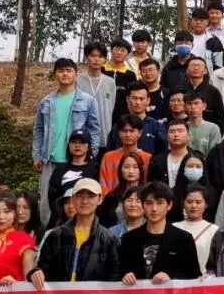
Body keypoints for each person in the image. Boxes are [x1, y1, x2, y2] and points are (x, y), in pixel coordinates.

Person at [32, 58, 101, 224]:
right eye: (61, 71)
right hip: (50, 160)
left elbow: (94, 129)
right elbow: (38, 129)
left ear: (76, 74)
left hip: (76, 161)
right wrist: (36, 154)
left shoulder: (88, 100)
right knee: (46, 205)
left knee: (77, 202)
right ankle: (47, 235)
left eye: (69, 70)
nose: (65, 74)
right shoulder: (46, 101)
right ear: (55, 74)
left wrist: (92, 153)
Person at [107, 81, 166, 155]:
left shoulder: (157, 127)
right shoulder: (118, 127)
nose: (138, 102)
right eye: (134, 98)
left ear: (148, 101)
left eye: (141, 99)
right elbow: (110, 153)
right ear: (127, 99)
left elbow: (163, 155)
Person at [99, 115, 153, 195]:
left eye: (132, 131)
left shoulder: (148, 158)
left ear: (140, 133)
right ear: (119, 133)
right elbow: (104, 187)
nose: (128, 135)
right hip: (113, 200)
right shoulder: (108, 157)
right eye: (124, 131)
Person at [78, 42, 118, 143]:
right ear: (86, 57)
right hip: (82, 138)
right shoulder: (77, 82)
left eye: (100, 56)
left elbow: (111, 108)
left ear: (105, 59)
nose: (96, 59)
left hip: (105, 136)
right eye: (93, 56)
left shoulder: (110, 82)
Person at [174, 183, 218, 274]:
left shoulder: (214, 230)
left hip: (205, 279)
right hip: (178, 279)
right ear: (183, 203)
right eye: (189, 202)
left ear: (206, 204)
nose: (193, 206)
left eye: (198, 202)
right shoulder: (173, 228)